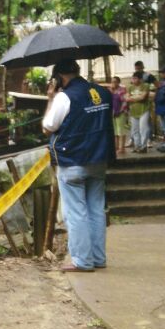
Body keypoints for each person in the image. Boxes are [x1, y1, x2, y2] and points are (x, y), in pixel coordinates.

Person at [42, 58, 115, 272]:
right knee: (96, 210)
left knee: (75, 212)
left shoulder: (64, 97)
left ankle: (82, 261)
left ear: (59, 77)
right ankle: (98, 258)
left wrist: (50, 99)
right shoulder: (103, 92)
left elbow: (47, 128)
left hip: (72, 160)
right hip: (99, 158)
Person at [125, 72, 151, 153]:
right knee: (135, 130)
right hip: (133, 111)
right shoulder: (130, 87)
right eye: (132, 78)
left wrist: (132, 98)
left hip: (144, 110)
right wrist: (137, 98)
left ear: (140, 79)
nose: (133, 80)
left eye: (135, 78)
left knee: (143, 128)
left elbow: (142, 97)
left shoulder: (145, 86)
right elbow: (127, 98)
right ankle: (137, 146)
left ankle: (143, 146)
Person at [110, 76, 129, 155]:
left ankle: (122, 148)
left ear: (118, 82)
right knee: (115, 131)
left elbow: (125, 102)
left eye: (115, 82)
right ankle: (116, 147)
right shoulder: (111, 91)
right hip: (113, 113)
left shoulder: (122, 90)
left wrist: (120, 111)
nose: (113, 83)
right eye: (112, 82)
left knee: (121, 131)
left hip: (121, 113)